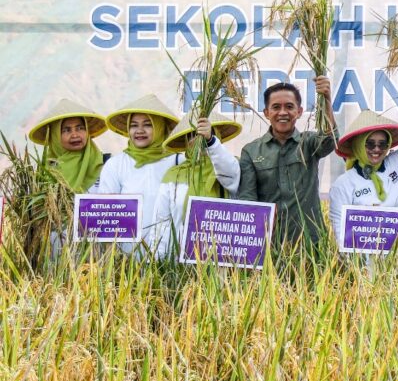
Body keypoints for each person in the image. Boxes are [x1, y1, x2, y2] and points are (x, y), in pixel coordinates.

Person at [237, 77, 337, 253]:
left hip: (309, 245)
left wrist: (327, 100)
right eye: (276, 107)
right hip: (269, 247)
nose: (283, 112)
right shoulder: (251, 152)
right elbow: (247, 200)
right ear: (266, 112)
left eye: (289, 107)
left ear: (299, 111)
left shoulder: (309, 143)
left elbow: (330, 140)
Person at [328, 92, 398, 261]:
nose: (377, 149)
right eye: (370, 143)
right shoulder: (343, 184)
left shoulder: (397, 164)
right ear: (358, 145)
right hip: (365, 275)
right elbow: (341, 234)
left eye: (383, 144)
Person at [96, 95, 181, 254]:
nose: (139, 130)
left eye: (148, 125)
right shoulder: (116, 165)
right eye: (134, 125)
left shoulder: (178, 162)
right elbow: (105, 216)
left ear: (160, 128)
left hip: (171, 254)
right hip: (128, 258)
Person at [153, 111, 243, 259]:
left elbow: (229, 174)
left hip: (220, 261)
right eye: (193, 134)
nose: (199, 137)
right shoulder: (174, 175)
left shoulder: (230, 167)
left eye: (207, 132)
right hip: (179, 260)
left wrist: (211, 142)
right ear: (185, 141)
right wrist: (157, 260)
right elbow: (161, 223)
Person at [27, 99, 109, 194]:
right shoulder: (44, 172)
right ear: (55, 136)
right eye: (66, 130)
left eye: (80, 128)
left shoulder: (107, 166)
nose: (75, 135)